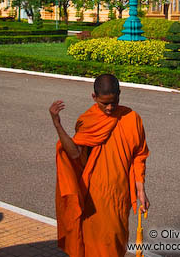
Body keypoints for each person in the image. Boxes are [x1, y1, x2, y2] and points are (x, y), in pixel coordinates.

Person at [49, 73, 150, 257]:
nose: (110, 107)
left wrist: (140, 189)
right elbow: (74, 153)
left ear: (120, 94)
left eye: (114, 101)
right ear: (94, 97)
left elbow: (139, 155)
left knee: (116, 243)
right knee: (98, 246)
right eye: (105, 103)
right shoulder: (87, 120)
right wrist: (57, 125)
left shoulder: (132, 118)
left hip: (120, 196)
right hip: (95, 198)